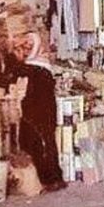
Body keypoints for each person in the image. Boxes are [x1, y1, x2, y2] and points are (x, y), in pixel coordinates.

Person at [11, 32, 65, 192]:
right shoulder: (45, 67)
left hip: (34, 114)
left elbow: (12, 76)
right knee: (48, 143)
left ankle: (43, 179)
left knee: (35, 145)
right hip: (47, 112)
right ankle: (55, 178)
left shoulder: (30, 69)